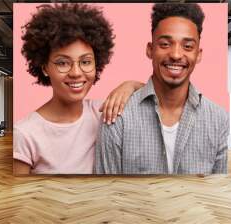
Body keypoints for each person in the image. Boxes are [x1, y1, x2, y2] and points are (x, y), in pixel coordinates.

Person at [95, 3, 229, 175]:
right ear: (150, 50)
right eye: (165, 44)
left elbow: (218, 192)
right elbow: (106, 191)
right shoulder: (117, 116)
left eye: (187, 46)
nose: (175, 54)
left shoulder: (218, 119)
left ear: (198, 54)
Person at [13, 3, 143, 175]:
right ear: (44, 67)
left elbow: (160, 95)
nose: (76, 73)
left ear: (97, 64)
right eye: (62, 63)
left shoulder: (104, 112)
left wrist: (131, 85)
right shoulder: (25, 133)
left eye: (85, 62)